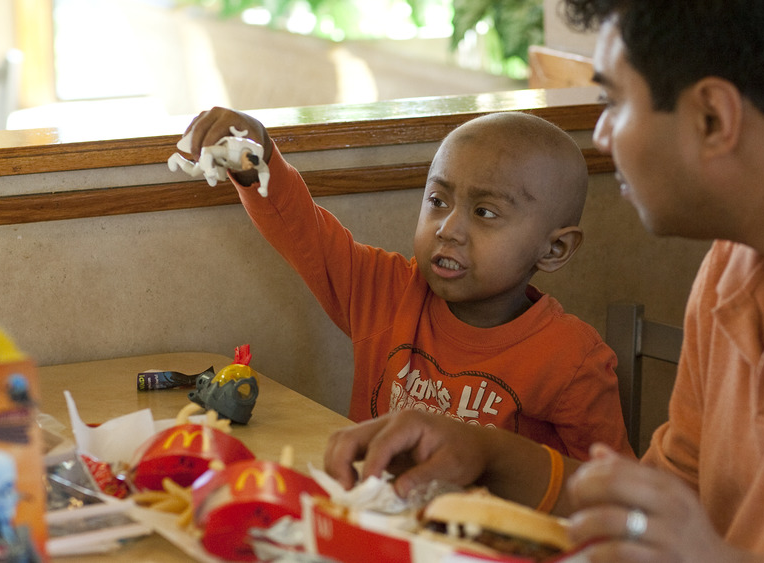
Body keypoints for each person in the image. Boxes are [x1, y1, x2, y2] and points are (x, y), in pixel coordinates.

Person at [323, 0, 764, 561]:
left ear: (713, 116)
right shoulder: (737, 259)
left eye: (614, 103)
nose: (604, 137)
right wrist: (483, 452)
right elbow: (663, 499)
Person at [176, 109, 632, 460]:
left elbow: (613, 499)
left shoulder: (572, 360)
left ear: (554, 250)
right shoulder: (387, 293)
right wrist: (256, 157)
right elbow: (304, 232)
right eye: (437, 200)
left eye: (485, 212)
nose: (448, 228)